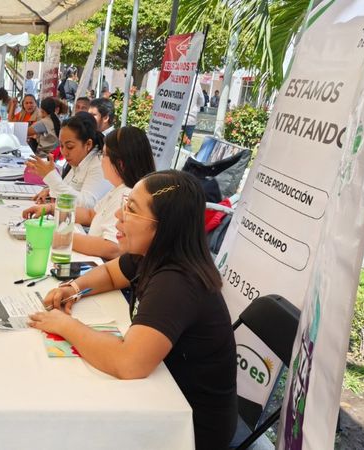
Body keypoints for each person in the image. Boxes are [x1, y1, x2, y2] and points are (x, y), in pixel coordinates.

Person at [28, 170, 237, 449]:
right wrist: (73, 289)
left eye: (131, 209)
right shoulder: (153, 254)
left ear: (164, 227)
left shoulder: (177, 282)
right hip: (159, 394)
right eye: (125, 203)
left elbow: (129, 362)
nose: (119, 215)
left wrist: (65, 325)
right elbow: (112, 275)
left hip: (189, 428)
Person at [23, 126, 155, 260]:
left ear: (120, 164)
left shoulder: (126, 195)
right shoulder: (118, 190)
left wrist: (58, 236)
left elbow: (112, 247)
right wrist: (51, 209)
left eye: (103, 155)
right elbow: (91, 215)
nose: (100, 160)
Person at [26, 112, 111, 209]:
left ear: (88, 144)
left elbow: (88, 205)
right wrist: (50, 190)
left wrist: (51, 178)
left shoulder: (99, 164)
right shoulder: (79, 160)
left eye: (70, 147)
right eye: (61, 146)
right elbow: (68, 188)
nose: (64, 152)